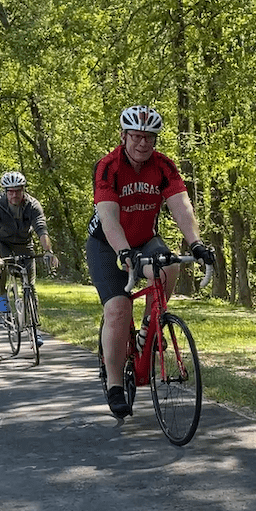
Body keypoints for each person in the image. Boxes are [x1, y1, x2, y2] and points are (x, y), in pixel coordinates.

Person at [86, 105, 215, 418]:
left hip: (145, 238)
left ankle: (149, 327)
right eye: (137, 137)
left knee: (170, 264)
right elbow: (108, 217)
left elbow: (181, 206)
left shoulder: (163, 166)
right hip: (107, 244)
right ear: (124, 136)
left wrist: (196, 243)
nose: (143, 143)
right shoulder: (108, 166)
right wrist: (123, 252)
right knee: (118, 309)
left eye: (150, 138)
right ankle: (115, 384)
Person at [0, 171, 60, 345]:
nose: (14, 195)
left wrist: (48, 250)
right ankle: (2, 297)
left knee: (30, 286)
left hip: (24, 243)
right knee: (0, 268)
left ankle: (35, 328)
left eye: (17, 191)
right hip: (3, 244)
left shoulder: (33, 205)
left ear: (23, 190)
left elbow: (42, 229)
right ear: (5, 191)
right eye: (10, 191)